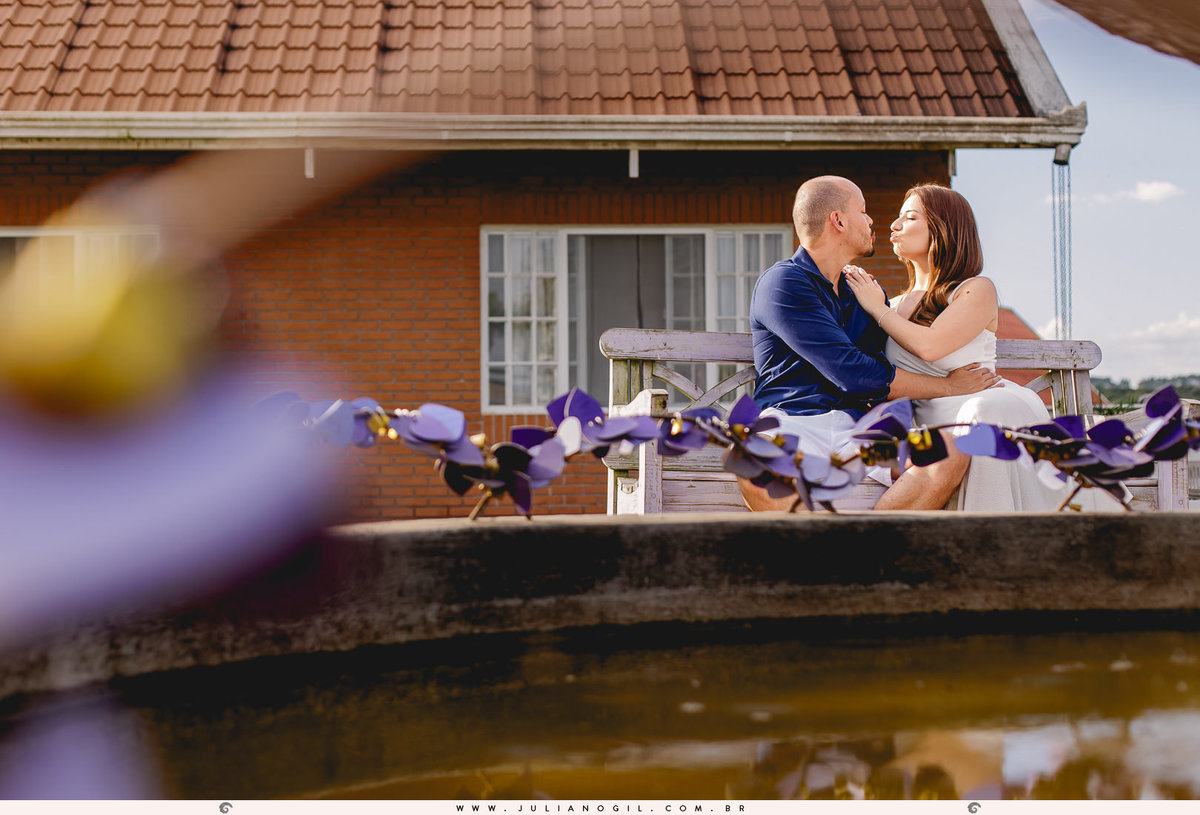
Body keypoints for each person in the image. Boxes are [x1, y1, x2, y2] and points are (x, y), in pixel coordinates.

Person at [843, 183, 1120, 511]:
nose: (895, 225)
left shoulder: (974, 289)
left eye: (911, 217)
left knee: (980, 414)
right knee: (950, 442)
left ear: (943, 229)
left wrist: (876, 308)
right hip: (935, 429)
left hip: (990, 406)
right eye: (898, 217)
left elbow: (930, 347)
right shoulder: (892, 305)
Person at [740, 175, 1000, 512]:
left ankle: (870, 540)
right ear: (838, 221)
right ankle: (816, 544)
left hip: (859, 430)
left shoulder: (862, 293)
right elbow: (854, 372)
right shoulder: (783, 282)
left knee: (949, 451)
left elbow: (886, 360)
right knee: (753, 459)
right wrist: (948, 386)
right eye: (863, 212)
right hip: (791, 422)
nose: (873, 221)